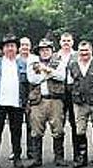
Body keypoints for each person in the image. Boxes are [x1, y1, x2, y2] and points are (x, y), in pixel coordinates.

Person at [0, 34, 29, 168]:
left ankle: (17, 158)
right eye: (7, 46)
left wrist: (27, 102)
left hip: (17, 103)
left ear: (17, 48)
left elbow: (28, 84)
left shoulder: (23, 64)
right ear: (3, 49)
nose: (10, 48)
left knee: (17, 132)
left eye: (13, 46)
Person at [26, 39, 69, 167]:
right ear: (38, 52)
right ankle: (36, 159)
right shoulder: (33, 63)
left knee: (58, 129)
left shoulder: (59, 61)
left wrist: (45, 70)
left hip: (55, 100)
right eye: (42, 50)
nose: (45, 52)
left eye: (47, 49)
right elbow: (32, 79)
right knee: (36, 131)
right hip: (38, 101)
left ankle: (59, 158)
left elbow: (62, 76)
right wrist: (49, 73)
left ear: (51, 50)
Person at [68, 41, 93, 168]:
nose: (84, 53)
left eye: (86, 50)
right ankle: (82, 157)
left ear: (91, 50)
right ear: (78, 51)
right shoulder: (72, 65)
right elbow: (69, 84)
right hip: (80, 104)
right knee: (80, 130)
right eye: (81, 50)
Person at [19, 37, 34, 161]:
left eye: (27, 45)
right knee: (16, 126)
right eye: (22, 44)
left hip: (32, 96)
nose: (25, 47)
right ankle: (16, 151)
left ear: (30, 46)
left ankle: (31, 151)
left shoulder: (35, 59)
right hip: (18, 97)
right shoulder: (15, 60)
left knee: (31, 126)